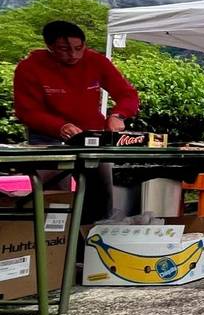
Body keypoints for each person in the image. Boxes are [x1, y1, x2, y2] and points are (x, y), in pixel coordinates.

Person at [13, 20, 140, 222]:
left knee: (100, 190)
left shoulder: (96, 61)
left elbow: (127, 94)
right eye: (64, 49)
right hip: (46, 136)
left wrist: (118, 115)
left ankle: (93, 238)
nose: (73, 55)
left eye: (78, 48)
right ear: (49, 47)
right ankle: (55, 244)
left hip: (91, 134)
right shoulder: (29, 68)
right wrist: (58, 126)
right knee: (53, 196)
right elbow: (26, 111)